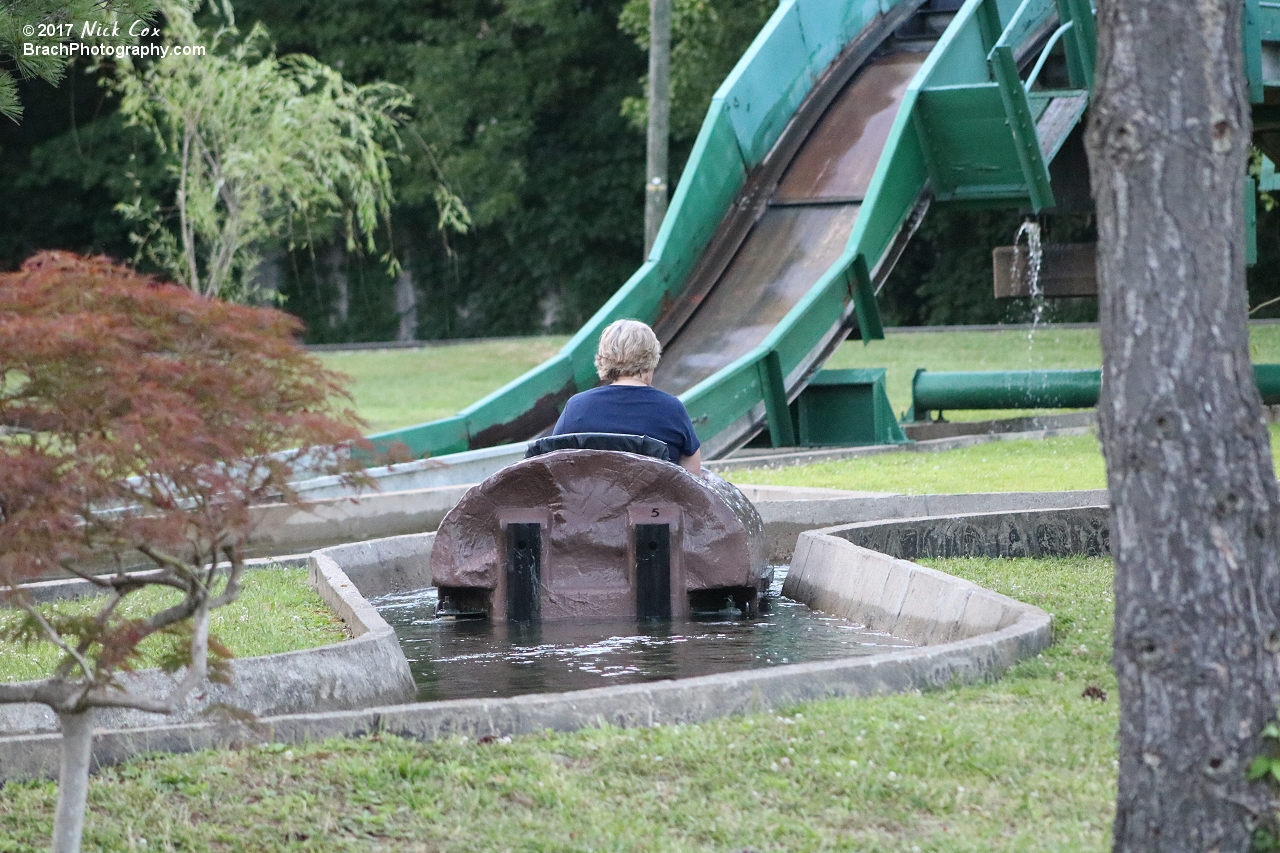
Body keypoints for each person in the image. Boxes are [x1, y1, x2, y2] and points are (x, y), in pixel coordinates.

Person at [552, 319, 703, 476]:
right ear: (651, 357)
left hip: (589, 499)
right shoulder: (672, 409)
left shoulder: (577, 407)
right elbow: (693, 478)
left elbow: (550, 462)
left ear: (603, 358)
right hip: (654, 500)